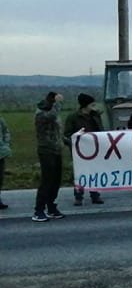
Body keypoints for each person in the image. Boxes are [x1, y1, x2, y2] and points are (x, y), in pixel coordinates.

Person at [63, 93, 105, 206]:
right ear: (85, 105)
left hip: (94, 149)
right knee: (80, 173)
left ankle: (95, 194)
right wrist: (74, 142)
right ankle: (78, 196)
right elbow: (67, 135)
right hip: (79, 151)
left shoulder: (95, 116)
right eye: (92, 104)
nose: (94, 106)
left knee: (94, 172)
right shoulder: (73, 117)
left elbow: (101, 131)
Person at [33, 91, 65, 221]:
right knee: (47, 180)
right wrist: (57, 104)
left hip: (57, 149)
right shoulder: (41, 113)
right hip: (46, 150)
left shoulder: (53, 114)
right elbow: (51, 116)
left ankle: (51, 206)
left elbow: (57, 132)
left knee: (56, 181)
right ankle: (38, 210)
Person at [0, 111, 11, 210]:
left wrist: (5, 144)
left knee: (0, 177)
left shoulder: (0, 120)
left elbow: (6, 131)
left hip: (0, 153)